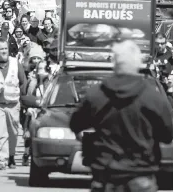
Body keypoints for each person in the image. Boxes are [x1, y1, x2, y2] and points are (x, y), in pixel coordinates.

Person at [70, 40, 173, 192]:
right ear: (138, 63)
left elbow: (75, 124)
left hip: (106, 175)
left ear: (114, 62)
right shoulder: (153, 97)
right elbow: (167, 135)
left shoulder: (96, 95)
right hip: (141, 175)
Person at [0, 38, 27, 170]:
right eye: (1, 49)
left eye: (5, 48)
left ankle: (11, 156)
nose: (4, 51)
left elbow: (23, 82)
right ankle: (2, 160)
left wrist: (23, 100)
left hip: (13, 104)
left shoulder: (16, 63)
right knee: (0, 133)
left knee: (14, 133)